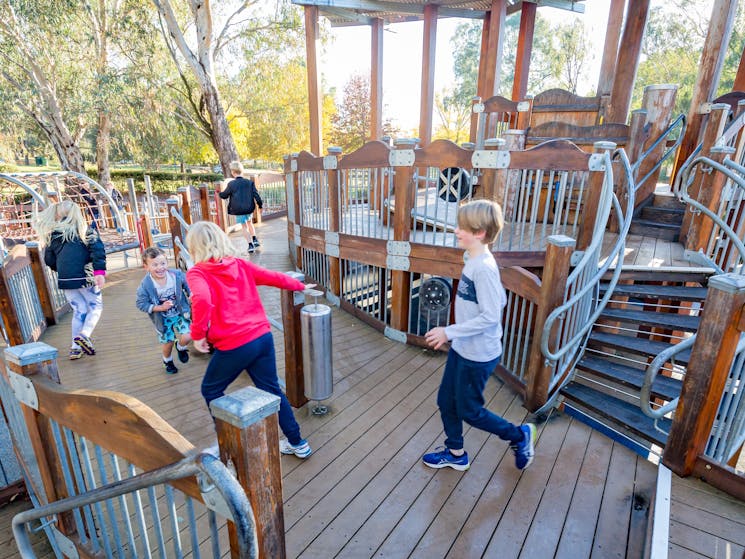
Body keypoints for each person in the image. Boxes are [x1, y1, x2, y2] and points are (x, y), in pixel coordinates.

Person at [422, 199, 536, 472]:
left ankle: (519, 436)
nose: (456, 231)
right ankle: (455, 452)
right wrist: (456, 335)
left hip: (478, 355)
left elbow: (491, 315)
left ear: (480, 233)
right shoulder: (474, 260)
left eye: (462, 228)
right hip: (463, 348)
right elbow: (499, 302)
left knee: (470, 411)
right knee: (446, 401)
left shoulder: (483, 267)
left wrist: (448, 331)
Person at [185, 221, 315, 458]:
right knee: (272, 389)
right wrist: (300, 286)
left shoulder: (198, 272)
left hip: (234, 344)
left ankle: (228, 446)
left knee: (211, 389)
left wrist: (197, 335)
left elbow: (202, 299)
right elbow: (272, 277)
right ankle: (298, 442)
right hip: (262, 338)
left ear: (194, 247)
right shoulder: (240, 265)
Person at [35, 200, 106, 360]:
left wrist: (62, 270)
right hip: (84, 276)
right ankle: (84, 335)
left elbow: (49, 259)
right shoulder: (86, 231)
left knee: (79, 310)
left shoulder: (53, 236)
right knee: (95, 307)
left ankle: (75, 348)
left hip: (66, 279)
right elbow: (97, 250)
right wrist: (99, 272)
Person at [136, 246, 192, 374]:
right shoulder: (145, 285)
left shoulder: (175, 275)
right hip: (162, 318)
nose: (160, 267)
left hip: (179, 312)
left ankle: (181, 347)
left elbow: (187, 283)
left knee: (189, 335)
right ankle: (167, 360)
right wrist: (160, 307)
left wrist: (191, 293)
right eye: (155, 264)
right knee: (168, 342)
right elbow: (141, 304)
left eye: (163, 263)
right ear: (146, 267)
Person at [219, 161, 263, 253]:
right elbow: (256, 195)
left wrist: (219, 192)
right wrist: (260, 205)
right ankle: (254, 239)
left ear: (233, 172)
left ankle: (250, 245)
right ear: (241, 171)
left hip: (239, 210)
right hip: (249, 208)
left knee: (244, 226)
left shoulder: (231, 184)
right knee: (250, 223)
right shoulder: (249, 183)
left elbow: (224, 195)